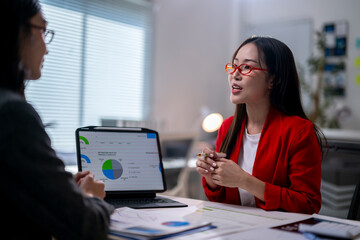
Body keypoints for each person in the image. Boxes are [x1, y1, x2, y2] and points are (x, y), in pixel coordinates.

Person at [0, 0, 114, 239]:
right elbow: (87, 226)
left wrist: (60, 189)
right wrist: (90, 197)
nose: (46, 47)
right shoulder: (13, 116)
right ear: (15, 29)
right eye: (42, 30)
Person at [196, 36, 325, 214]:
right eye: (234, 66)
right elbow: (223, 201)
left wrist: (244, 180)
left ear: (273, 80)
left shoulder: (299, 131)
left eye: (247, 67)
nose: (235, 74)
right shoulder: (227, 127)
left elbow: (308, 204)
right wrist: (212, 177)